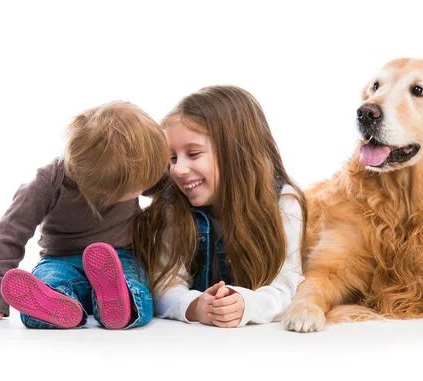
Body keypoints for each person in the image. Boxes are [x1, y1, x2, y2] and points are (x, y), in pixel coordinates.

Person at [0, 101, 169, 329]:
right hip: (60, 260)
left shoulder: (131, 171)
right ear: (106, 190)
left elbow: (170, 186)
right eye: (142, 185)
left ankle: (119, 300)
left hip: (118, 260)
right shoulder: (49, 183)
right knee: (50, 282)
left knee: (133, 283)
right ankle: (61, 304)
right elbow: (11, 231)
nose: (151, 185)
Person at [132, 85, 307, 327]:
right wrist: (194, 306)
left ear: (236, 153)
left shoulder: (283, 202)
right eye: (172, 158)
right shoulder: (173, 204)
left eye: (193, 154)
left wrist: (247, 304)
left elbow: (287, 287)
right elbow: (165, 282)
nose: (178, 170)